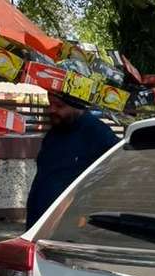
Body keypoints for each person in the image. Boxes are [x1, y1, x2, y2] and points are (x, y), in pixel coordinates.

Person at [25, 92, 117, 228]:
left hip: (71, 226)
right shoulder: (55, 131)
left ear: (77, 106)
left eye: (59, 106)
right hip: (39, 222)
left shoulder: (97, 133)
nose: (51, 110)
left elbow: (115, 174)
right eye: (50, 104)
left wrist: (83, 210)